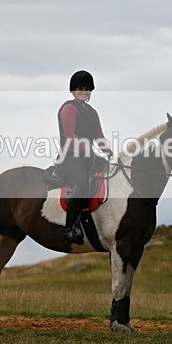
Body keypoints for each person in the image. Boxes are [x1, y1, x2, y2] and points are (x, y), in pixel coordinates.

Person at [56, 70, 111, 245]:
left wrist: (109, 152)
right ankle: (70, 227)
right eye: (80, 88)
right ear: (73, 90)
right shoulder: (69, 108)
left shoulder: (92, 112)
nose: (83, 91)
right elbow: (70, 135)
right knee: (81, 184)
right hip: (71, 156)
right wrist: (85, 146)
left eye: (87, 89)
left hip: (89, 157)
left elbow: (99, 136)